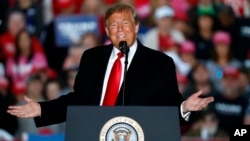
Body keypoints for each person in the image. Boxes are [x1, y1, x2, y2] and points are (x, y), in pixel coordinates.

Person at [7, 3, 214, 129]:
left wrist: (184, 108)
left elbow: (169, 106)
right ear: (106, 30)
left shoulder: (159, 62)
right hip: (95, 134)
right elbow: (78, 100)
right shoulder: (91, 58)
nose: (120, 29)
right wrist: (42, 109)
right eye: (114, 24)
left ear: (137, 27)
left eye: (125, 23)